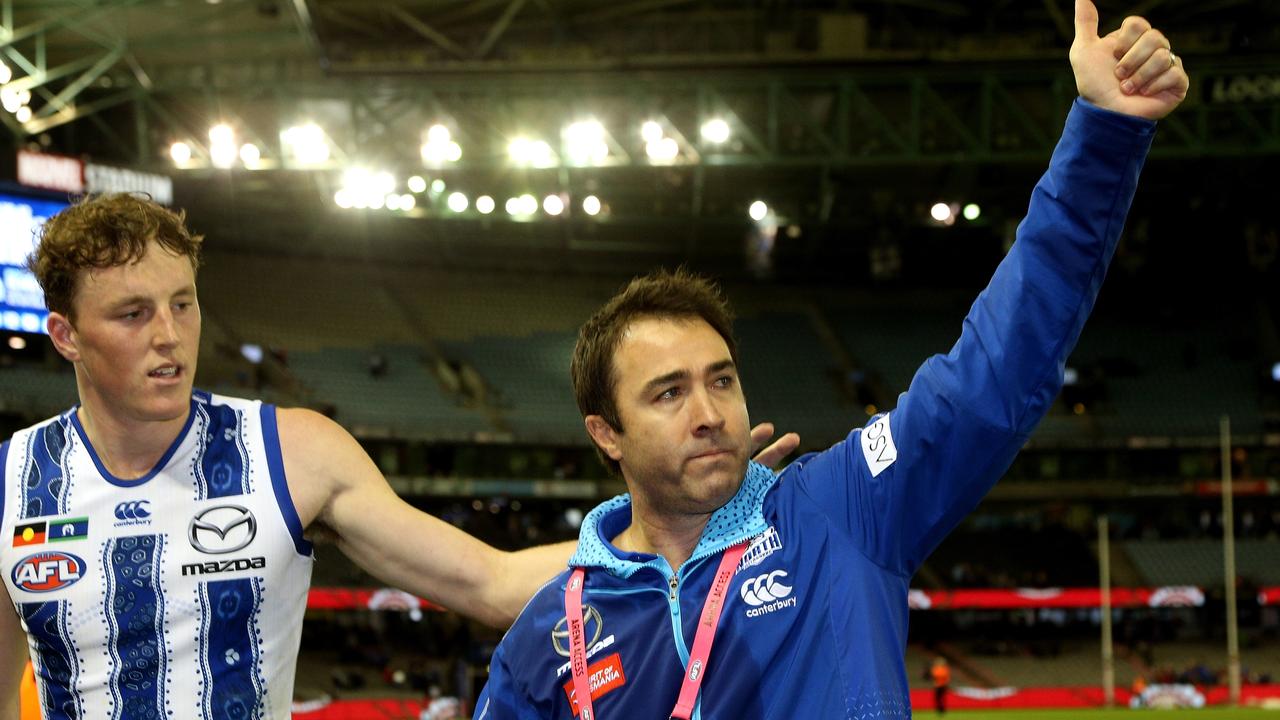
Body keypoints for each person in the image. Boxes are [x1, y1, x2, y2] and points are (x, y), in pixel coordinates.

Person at [472, 2, 1189, 717]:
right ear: (606, 432)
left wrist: (1105, 134)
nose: (709, 413)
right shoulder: (550, 636)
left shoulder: (840, 507)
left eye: (721, 380)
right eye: (667, 394)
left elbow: (995, 370)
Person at [0, 188, 805, 716]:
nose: (171, 336)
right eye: (134, 314)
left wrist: (669, 524)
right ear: (66, 335)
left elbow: (489, 583)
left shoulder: (292, 452)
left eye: (183, 303)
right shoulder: (9, 482)